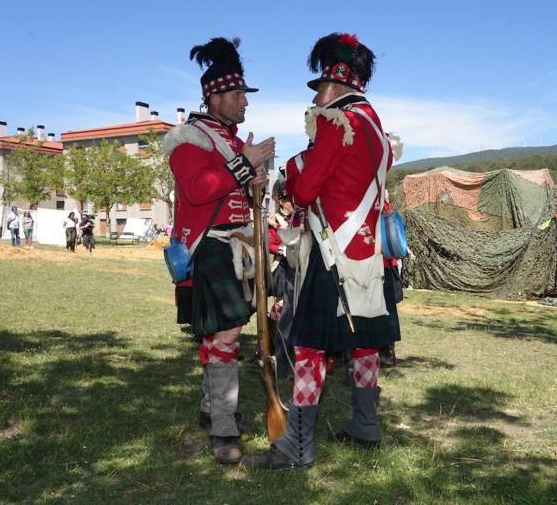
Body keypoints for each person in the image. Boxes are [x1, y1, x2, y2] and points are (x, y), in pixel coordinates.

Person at [244, 33, 399, 469]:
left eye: (320, 90)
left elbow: (308, 188)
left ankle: (296, 447)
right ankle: (366, 425)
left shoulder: (337, 122)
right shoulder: (378, 131)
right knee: (365, 344)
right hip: (368, 257)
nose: (316, 100)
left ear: (336, 86)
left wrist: (292, 172)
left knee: (310, 347)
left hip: (333, 256)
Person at [164, 37, 274, 464]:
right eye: (238, 94)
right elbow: (197, 191)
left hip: (239, 246)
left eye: (245, 94)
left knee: (220, 334)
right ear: (215, 97)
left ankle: (211, 409)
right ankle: (224, 429)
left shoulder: (229, 139)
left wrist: (257, 179)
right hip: (208, 246)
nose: (245, 102)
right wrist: (245, 162)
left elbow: (238, 192)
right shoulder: (188, 137)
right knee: (226, 334)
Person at [267, 177, 298, 378]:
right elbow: (269, 243)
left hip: (297, 266)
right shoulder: (274, 219)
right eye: (288, 198)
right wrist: (281, 248)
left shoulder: (297, 217)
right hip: (282, 266)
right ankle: (272, 345)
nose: (291, 202)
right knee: (281, 307)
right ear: (280, 200)